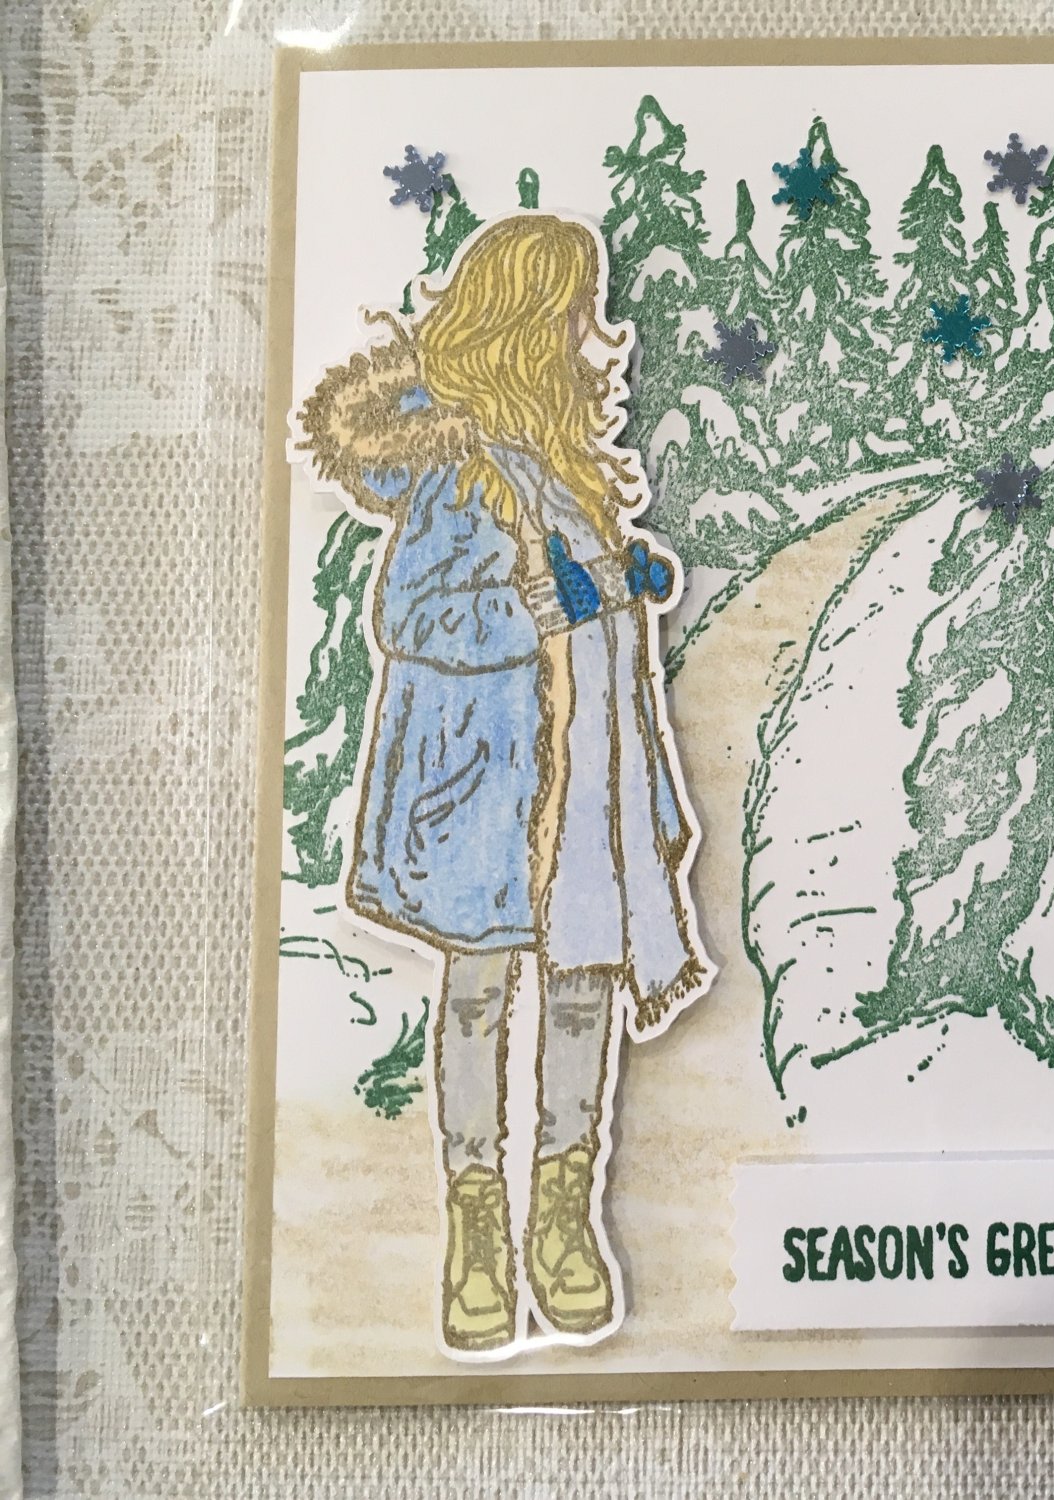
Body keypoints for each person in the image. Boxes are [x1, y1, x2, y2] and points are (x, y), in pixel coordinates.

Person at [295, 213, 709, 1356]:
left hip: (582, 782)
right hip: (487, 790)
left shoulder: (561, 462)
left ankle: (563, 1211)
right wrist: (539, 614)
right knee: (479, 993)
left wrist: (619, 574)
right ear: (528, 323)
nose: (587, 334)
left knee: (580, 987)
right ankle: (476, 1221)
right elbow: (414, 613)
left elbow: (574, 584)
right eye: (571, 314)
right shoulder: (461, 468)